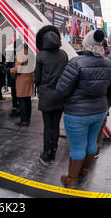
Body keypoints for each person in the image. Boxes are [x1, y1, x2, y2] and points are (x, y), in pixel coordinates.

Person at [55, 29, 111, 188]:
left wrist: (70, 101)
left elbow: (61, 90)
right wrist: (107, 104)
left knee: (77, 147)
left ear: (86, 45)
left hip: (77, 115)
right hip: (99, 112)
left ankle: (71, 179)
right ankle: (84, 170)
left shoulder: (76, 62)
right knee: (92, 143)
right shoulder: (108, 63)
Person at [34, 26, 68, 165]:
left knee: (47, 126)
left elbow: (36, 78)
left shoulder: (41, 55)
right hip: (60, 95)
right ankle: (54, 150)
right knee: (56, 125)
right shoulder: (63, 54)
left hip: (46, 95)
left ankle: (46, 153)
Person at [10, 44, 34, 127]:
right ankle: (28, 118)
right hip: (29, 78)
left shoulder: (21, 54)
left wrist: (10, 69)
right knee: (28, 99)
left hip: (22, 80)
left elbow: (17, 69)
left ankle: (24, 120)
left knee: (21, 100)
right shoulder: (31, 54)